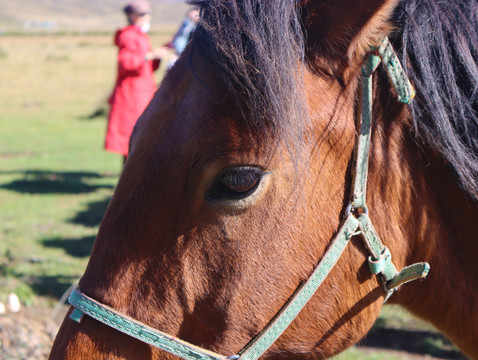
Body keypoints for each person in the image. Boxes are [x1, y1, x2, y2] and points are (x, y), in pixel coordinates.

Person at [104, 1, 168, 163]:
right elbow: (126, 63)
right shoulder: (129, 35)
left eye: (147, 14)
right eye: (143, 14)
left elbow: (146, 67)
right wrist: (149, 56)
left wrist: (157, 56)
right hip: (131, 95)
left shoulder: (140, 35)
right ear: (133, 16)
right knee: (132, 136)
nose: (147, 18)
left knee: (140, 136)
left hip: (142, 92)